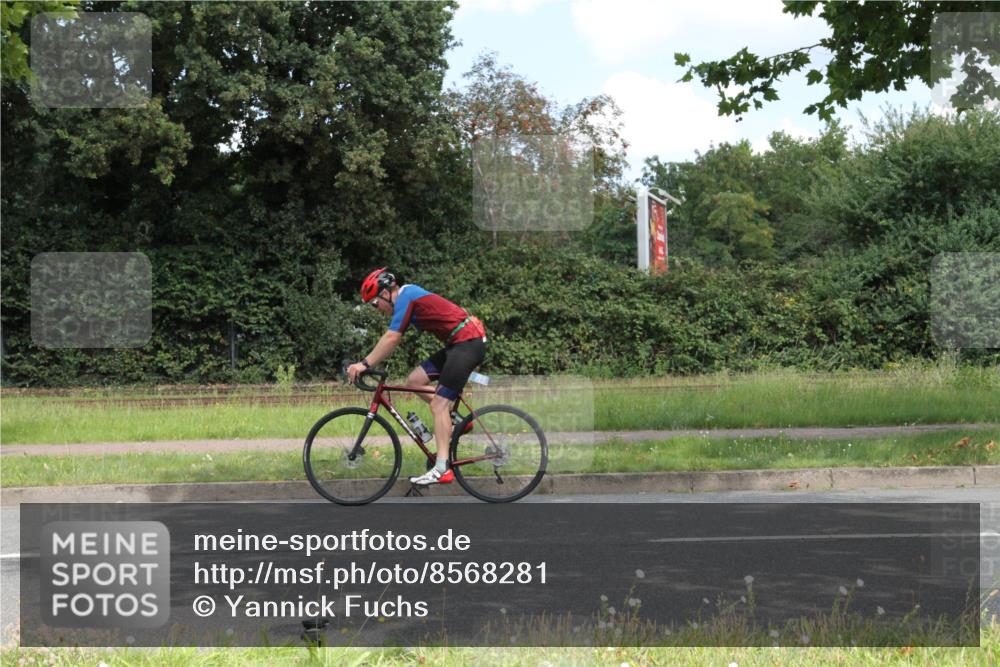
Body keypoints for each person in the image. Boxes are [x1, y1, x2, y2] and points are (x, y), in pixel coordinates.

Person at [345, 268, 487, 485]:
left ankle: (442, 469)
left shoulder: (406, 296)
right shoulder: (408, 298)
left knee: (438, 405)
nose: (376, 309)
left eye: (374, 303)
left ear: (385, 293)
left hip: (467, 343)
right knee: (414, 381)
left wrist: (364, 364)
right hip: (458, 343)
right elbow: (393, 340)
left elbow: (392, 338)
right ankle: (457, 420)